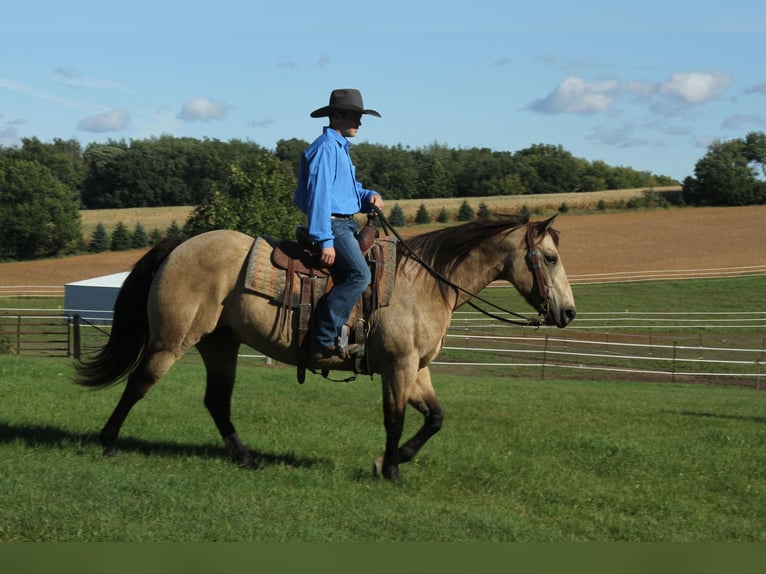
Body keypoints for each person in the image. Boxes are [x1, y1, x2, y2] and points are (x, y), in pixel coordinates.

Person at [294, 88, 385, 362]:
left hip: (344, 223)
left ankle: (349, 335)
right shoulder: (325, 149)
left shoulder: (339, 148)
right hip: (332, 226)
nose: (359, 122)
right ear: (336, 116)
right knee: (360, 275)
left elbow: (347, 191)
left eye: (360, 116)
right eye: (354, 116)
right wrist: (324, 239)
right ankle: (323, 340)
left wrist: (368, 196)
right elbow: (320, 195)